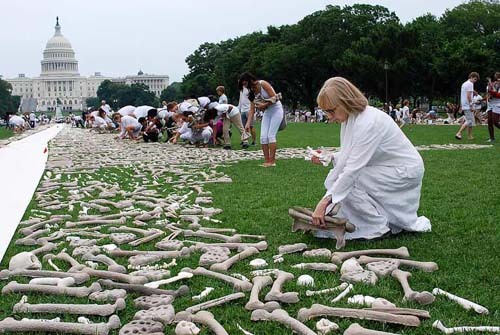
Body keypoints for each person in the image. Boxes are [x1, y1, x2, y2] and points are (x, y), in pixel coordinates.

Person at [310, 77, 430, 240]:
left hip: (404, 171)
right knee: (346, 180)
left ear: (345, 101)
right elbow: (354, 154)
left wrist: (324, 202)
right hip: (390, 167)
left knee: (351, 179)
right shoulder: (353, 118)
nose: (329, 117)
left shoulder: (368, 122)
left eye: (331, 110)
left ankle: (376, 226)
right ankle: (373, 221)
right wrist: (329, 156)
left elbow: (352, 169)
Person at [240, 72, 284, 167]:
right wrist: (247, 124)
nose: (244, 86)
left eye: (245, 83)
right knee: (263, 137)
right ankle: (267, 161)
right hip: (267, 112)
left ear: (250, 80)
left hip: (276, 110)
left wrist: (264, 105)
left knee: (271, 136)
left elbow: (275, 98)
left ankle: (272, 161)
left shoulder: (263, 84)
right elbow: (252, 110)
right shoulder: (251, 91)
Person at [455, 72, 480, 140]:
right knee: (470, 121)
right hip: (468, 105)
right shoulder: (470, 84)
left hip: (465, 104)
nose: (475, 81)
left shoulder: (464, 83)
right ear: (471, 77)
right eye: (474, 79)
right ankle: (459, 133)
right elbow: (468, 96)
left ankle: (469, 136)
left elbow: (463, 95)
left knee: (470, 120)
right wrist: (471, 105)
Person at [486, 72, 500, 142]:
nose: (496, 76)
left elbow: (498, 95)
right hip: (490, 104)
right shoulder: (490, 84)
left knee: (496, 122)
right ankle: (492, 138)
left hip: (497, 104)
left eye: (497, 76)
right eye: (495, 75)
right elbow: (488, 94)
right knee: (489, 121)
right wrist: (482, 99)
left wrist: (491, 91)